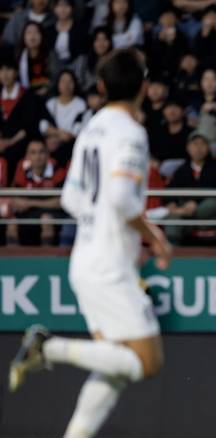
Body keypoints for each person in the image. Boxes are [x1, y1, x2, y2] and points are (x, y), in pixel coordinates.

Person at [9, 48, 171, 438]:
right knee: (147, 362)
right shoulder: (131, 132)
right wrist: (154, 236)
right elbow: (120, 198)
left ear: (100, 87)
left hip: (86, 257)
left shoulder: (92, 126)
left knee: (116, 363)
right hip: (109, 265)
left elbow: (71, 198)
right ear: (144, 87)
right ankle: (46, 349)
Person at [165, 131, 216, 244]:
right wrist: (172, 203)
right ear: (188, 148)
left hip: (206, 213)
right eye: (195, 144)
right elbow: (171, 190)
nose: (198, 148)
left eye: (202, 144)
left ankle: (181, 213)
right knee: (173, 217)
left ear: (208, 148)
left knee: (213, 204)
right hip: (187, 212)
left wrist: (194, 203)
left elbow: (214, 190)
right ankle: (172, 252)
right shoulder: (182, 170)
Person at [7, 139, 66, 246]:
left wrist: (30, 203)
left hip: (52, 214)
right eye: (33, 152)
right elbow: (15, 199)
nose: (38, 156)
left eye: (41, 152)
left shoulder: (58, 171)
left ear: (48, 155)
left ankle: (47, 261)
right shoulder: (22, 171)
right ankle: (14, 261)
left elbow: (60, 202)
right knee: (12, 224)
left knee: (46, 219)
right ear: (27, 156)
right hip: (29, 214)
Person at [39, 69, 87, 166]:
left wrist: (58, 138)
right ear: (58, 84)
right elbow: (43, 126)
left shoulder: (80, 104)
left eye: (70, 81)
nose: (66, 85)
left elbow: (75, 131)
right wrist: (58, 134)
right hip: (51, 141)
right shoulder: (51, 103)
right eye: (63, 81)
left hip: (70, 144)